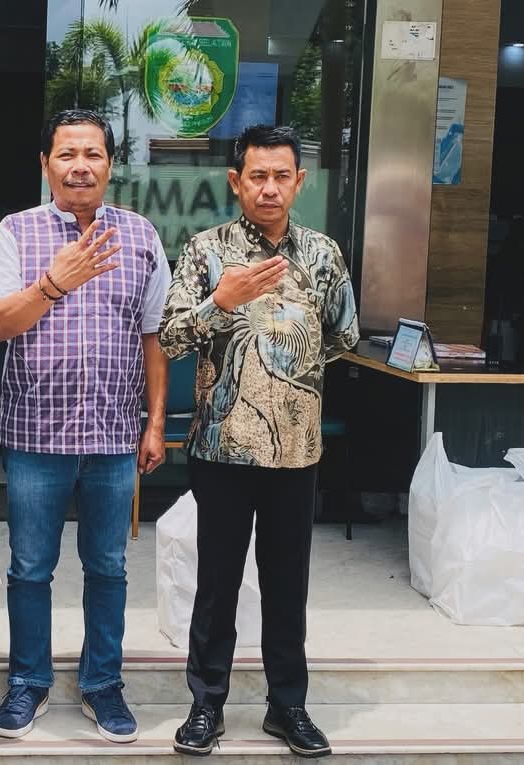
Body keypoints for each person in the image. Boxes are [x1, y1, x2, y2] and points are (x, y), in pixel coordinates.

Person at [160, 125, 359, 759]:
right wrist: (220, 303)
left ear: (299, 181)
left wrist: (287, 381)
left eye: (281, 176)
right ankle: (206, 705)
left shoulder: (323, 253)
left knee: (287, 583)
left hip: (296, 451)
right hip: (222, 449)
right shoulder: (206, 250)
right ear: (235, 181)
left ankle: (287, 705)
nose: (269, 188)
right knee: (217, 581)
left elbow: (343, 335)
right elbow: (170, 337)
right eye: (257, 176)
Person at [0, 109, 170, 744]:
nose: (80, 166)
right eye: (66, 154)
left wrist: (155, 423)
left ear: (111, 164)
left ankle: (102, 683)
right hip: (37, 436)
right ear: (45, 164)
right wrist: (54, 284)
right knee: (31, 568)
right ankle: (27, 681)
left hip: (114, 437)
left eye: (93, 154)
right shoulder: (17, 231)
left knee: (108, 567)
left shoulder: (140, 235)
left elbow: (153, 336)